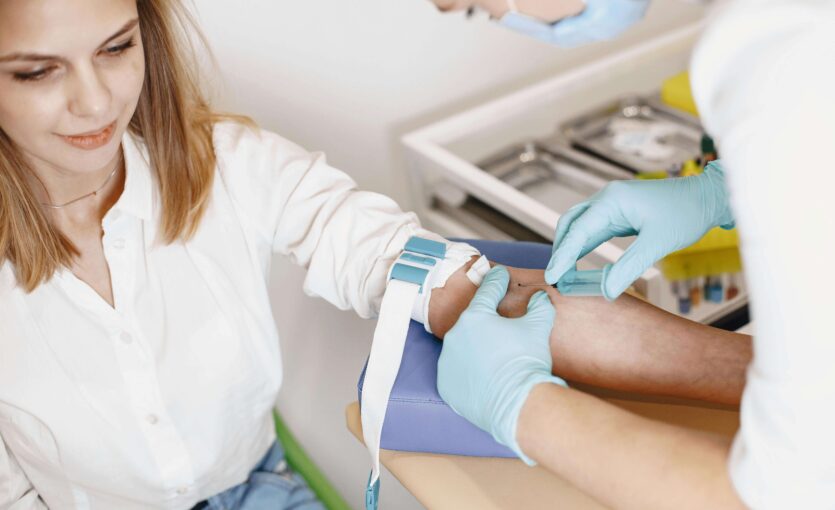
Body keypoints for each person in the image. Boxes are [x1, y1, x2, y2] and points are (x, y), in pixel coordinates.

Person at [0, 0, 505, 508]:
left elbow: (367, 241)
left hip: (259, 490)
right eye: (37, 72)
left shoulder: (227, 163)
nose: (95, 102)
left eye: (116, 47)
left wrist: (481, 305)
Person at [432, 0, 835, 508]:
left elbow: (784, 497)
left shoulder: (774, 43)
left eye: (473, 7)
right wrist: (727, 188)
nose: (499, 17)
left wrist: (523, 406)